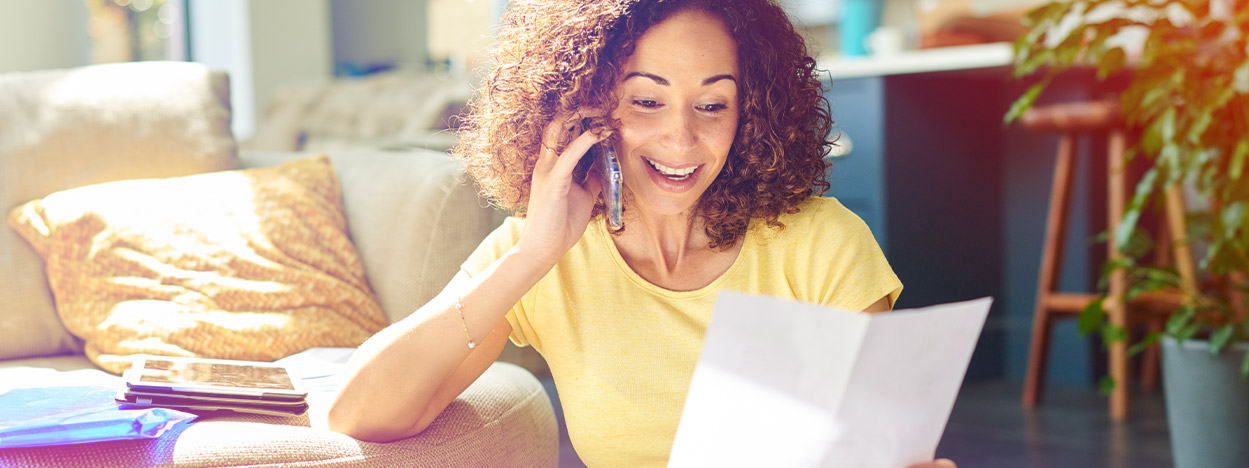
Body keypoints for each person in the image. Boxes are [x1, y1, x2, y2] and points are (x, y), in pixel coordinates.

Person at [326, 1, 954, 466]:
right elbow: (361, 414)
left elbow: (879, 446)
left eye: (713, 105)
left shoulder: (821, 245)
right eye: (646, 102)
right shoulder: (543, 255)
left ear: (752, 112)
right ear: (584, 110)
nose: (682, 140)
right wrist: (535, 254)